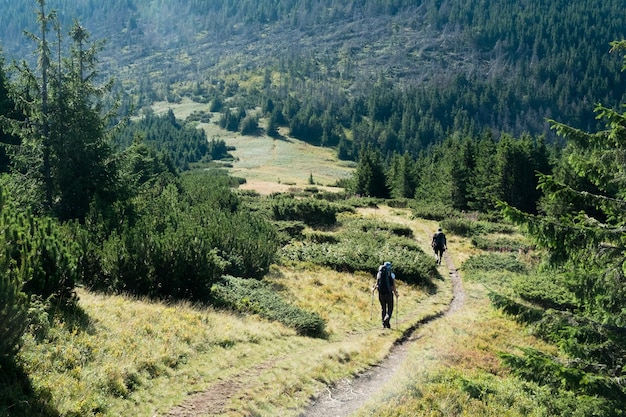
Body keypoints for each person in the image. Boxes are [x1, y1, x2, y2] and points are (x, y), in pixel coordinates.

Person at [372, 261, 399, 329]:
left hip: (381, 293)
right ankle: (387, 318)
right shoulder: (391, 274)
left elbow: (377, 283)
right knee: (390, 307)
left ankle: (384, 324)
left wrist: (373, 289)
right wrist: (396, 293)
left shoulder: (379, 273)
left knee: (383, 308)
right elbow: (393, 286)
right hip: (389, 293)